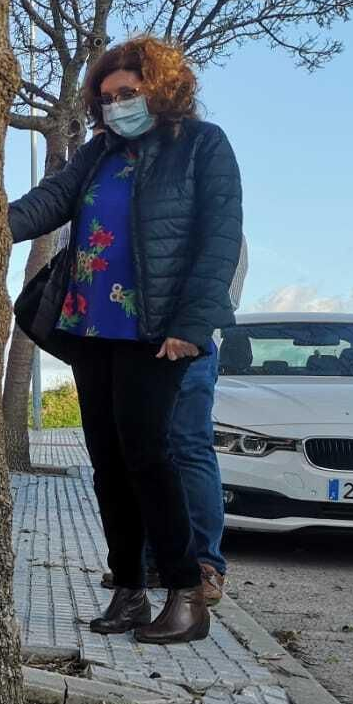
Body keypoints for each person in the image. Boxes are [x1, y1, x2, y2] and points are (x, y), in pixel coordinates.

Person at [9, 36, 242, 645]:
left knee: (149, 458)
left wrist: (192, 325)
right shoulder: (96, 154)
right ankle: (130, 590)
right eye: (107, 97)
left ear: (161, 88)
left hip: (154, 330)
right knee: (107, 464)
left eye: (128, 93)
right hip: (91, 329)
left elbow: (218, 238)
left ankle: (187, 592)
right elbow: (48, 202)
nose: (115, 106)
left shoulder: (201, 146)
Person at [105, 238, 248, 598]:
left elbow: (226, 284)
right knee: (143, 449)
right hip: (130, 340)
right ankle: (155, 561)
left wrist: (188, 327)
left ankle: (204, 565)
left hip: (187, 341)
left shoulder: (210, 205)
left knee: (188, 446)